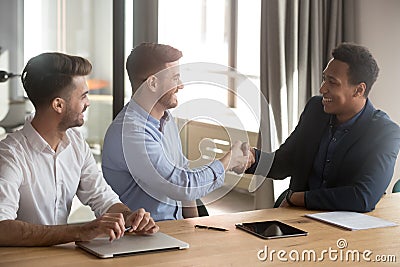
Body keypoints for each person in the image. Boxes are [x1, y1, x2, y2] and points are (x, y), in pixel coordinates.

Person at [0, 52, 159, 246]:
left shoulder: (76, 143)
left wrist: (129, 217)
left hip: (63, 255)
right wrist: (81, 231)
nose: (88, 103)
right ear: (58, 104)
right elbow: (2, 228)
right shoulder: (10, 154)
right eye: (83, 96)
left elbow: (102, 198)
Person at [246, 43, 400, 212]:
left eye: (332, 82)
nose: (322, 88)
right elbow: (285, 162)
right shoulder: (316, 110)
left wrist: (298, 198)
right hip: (298, 218)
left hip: (346, 228)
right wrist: (252, 158)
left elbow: (363, 197)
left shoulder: (386, 133)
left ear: (358, 90)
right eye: (324, 78)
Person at [102, 43, 249, 221]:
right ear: (153, 83)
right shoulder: (132, 133)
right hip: (140, 235)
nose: (181, 85)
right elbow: (182, 186)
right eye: (175, 78)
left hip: (173, 229)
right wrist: (228, 162)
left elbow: (182, 174)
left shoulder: (166, 118)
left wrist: (195, 226)